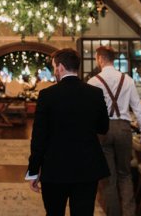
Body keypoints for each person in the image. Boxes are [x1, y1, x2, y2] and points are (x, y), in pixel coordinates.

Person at [26, 48, 109, 216]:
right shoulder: (95, 93)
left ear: (61, 67)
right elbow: (103, 128)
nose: (54, 71)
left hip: (55, 169)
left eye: (54, 67)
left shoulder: (47, 95)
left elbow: (39, 138)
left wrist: (33, 170)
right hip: (87, 167)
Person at [87, 46, 141, 216]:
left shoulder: (93, 82)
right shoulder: (127, 80)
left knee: (108, 179)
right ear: (112, 59)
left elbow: (88, 113)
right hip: (123, 128)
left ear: (100, 58)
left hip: (103, 130)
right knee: (125, 175)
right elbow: (138, 110)